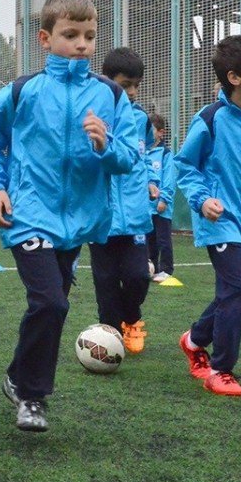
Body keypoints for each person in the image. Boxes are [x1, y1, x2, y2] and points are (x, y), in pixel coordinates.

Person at [0, 0, 139, 432]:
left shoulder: (111, 96)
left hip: (79, 222)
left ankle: (16, 375)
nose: (82, 44)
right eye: (71, 35)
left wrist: (105, 146)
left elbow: (130, 158)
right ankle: (32, 397)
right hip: (28, 213)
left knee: (53, 303)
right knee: (50, 301)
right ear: (45, 39)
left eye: (89, 35)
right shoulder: (22, 91)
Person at [175, 35, 241, 397]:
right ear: (235, 77)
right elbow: (186, 167)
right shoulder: (210, 119)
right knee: (238, 287)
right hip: (220, 220)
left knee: (235, 290)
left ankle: (194, 339)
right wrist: (203, 200)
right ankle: (221, 369)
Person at [86, 47, 159, 354]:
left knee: (138, 275)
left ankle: (132, 317)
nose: (131, 91)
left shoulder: (141, 118)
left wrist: (152, 184)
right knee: (104, 281)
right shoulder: (92, 116)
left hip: (135, 215)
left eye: (136, 85)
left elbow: (145, 157)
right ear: (108, 81)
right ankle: (109, 335)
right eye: (125, 84)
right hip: (101, 216)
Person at [147, 113, 177, 283]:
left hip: (161, 206)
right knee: (149, 239)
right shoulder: (144, 153)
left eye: (151, 130)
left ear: (161, 132)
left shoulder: (165, 154)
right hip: (147, 207)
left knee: (163, 239)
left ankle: (167, 269)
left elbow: (169, 179)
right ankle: (153, 268)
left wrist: (164, 199)